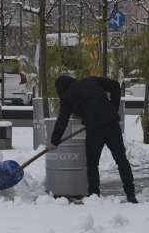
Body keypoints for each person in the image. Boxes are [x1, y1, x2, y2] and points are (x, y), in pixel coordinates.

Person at [48, 75, 137, 203]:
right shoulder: (90, 80)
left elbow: (62, 120)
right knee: (121, 160)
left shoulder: (67, 97)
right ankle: (131, 194)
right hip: (111, 124)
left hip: (95, 130)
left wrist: (54, 141)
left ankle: (94, 195)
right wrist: (113, 108)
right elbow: (115, 86)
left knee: (92, 164)